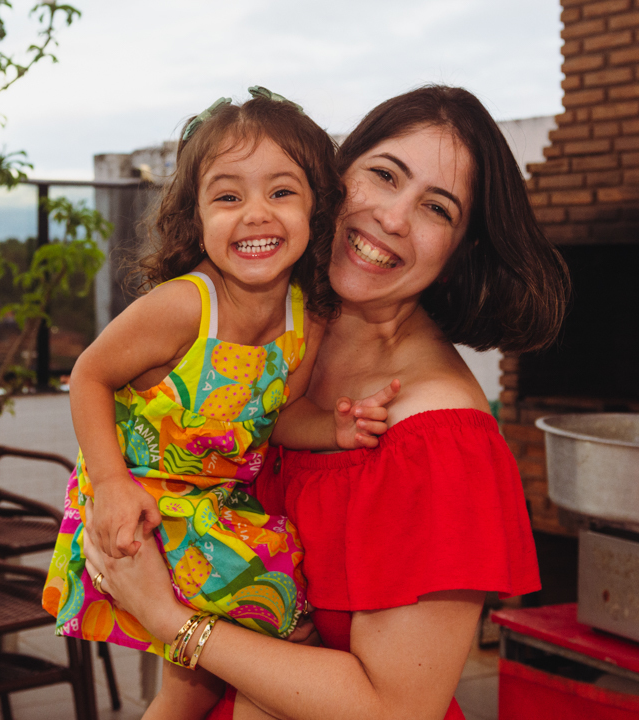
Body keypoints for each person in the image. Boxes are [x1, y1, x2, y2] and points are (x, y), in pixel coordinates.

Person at [80, 85, 569, 720]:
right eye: (384, 175)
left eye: (436, 209)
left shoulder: (439, 441)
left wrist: (167, 620)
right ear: (332, 180)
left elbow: (398, 709)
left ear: (458, 254)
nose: (392, 217)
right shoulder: (271, 335)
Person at [43, 87, 398, 720]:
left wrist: (334, 430)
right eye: (228, 196)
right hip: (147, 505)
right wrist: (112, 484)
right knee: (282, 640)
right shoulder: (186, 306)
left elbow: (277, 416)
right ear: (196, 217)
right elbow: (89, 373)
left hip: (216, 513)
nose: (255, 214)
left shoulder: (304, 321)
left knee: (202, 682)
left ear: (319, 211)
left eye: (281, 192)